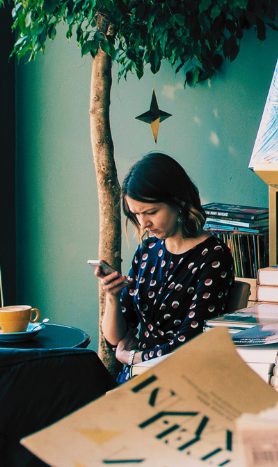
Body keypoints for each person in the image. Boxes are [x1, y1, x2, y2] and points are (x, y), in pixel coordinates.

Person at [96, 153, 234, 380]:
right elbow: (115, 338)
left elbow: (192, 342)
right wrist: (112, 297)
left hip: (181, 380)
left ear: (178, 202)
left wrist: (133, 358)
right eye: (136, 214)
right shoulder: (147, 250)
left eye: (151, 212)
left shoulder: (213, 257)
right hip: (137, 377)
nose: (143, 223)